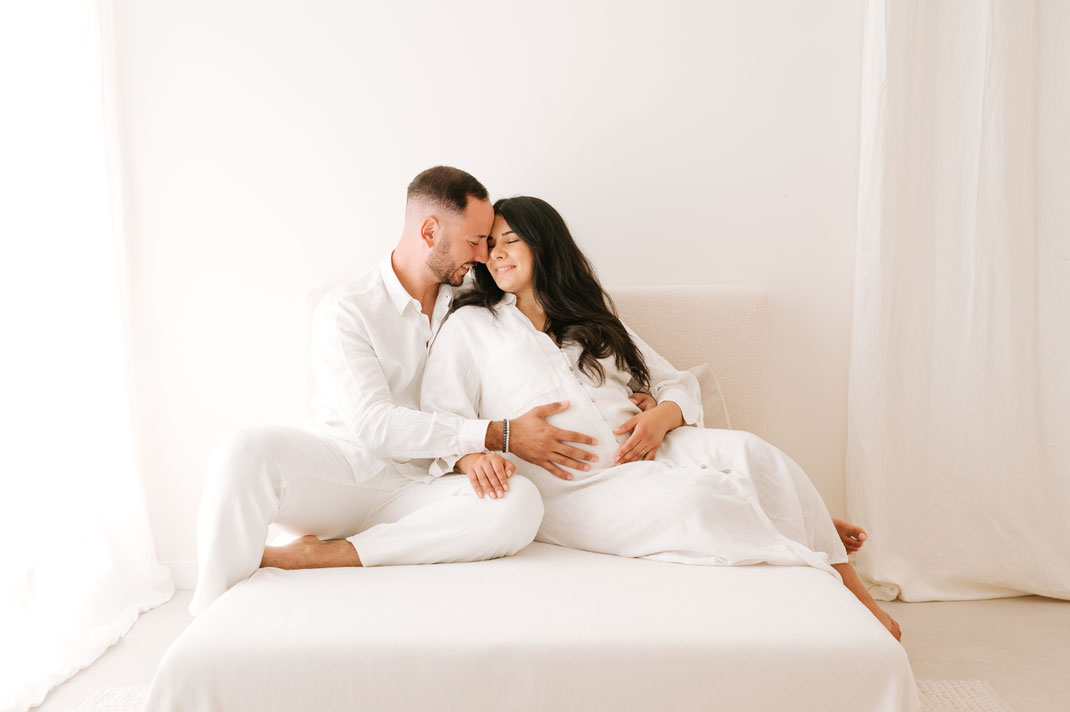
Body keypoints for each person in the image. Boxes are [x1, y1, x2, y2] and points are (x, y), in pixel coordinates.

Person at [420, 195, 901, 641]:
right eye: (490, 246)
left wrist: (662, 418)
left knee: (754, 452)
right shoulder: (471, 325)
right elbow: (441, 415)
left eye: (511, 241)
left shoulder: (590, 317)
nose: (497, 255)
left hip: (658, 447)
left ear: (545, 247)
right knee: (699, 497)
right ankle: (794, 518)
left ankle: (851, 586)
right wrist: (468, 459)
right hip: (578, 486)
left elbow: (674, 382)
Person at [188, 168, 601, 616]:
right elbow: (374, 425)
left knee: (519, 504)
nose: (484, 256)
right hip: (341, 473)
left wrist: (633, 390)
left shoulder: (473, 305)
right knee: (242, 450)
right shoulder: (348, 307)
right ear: (429, 231)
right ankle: (210, 614)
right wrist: (495, 435)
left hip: (421, 487)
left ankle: (324, 556)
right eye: (475, 240)